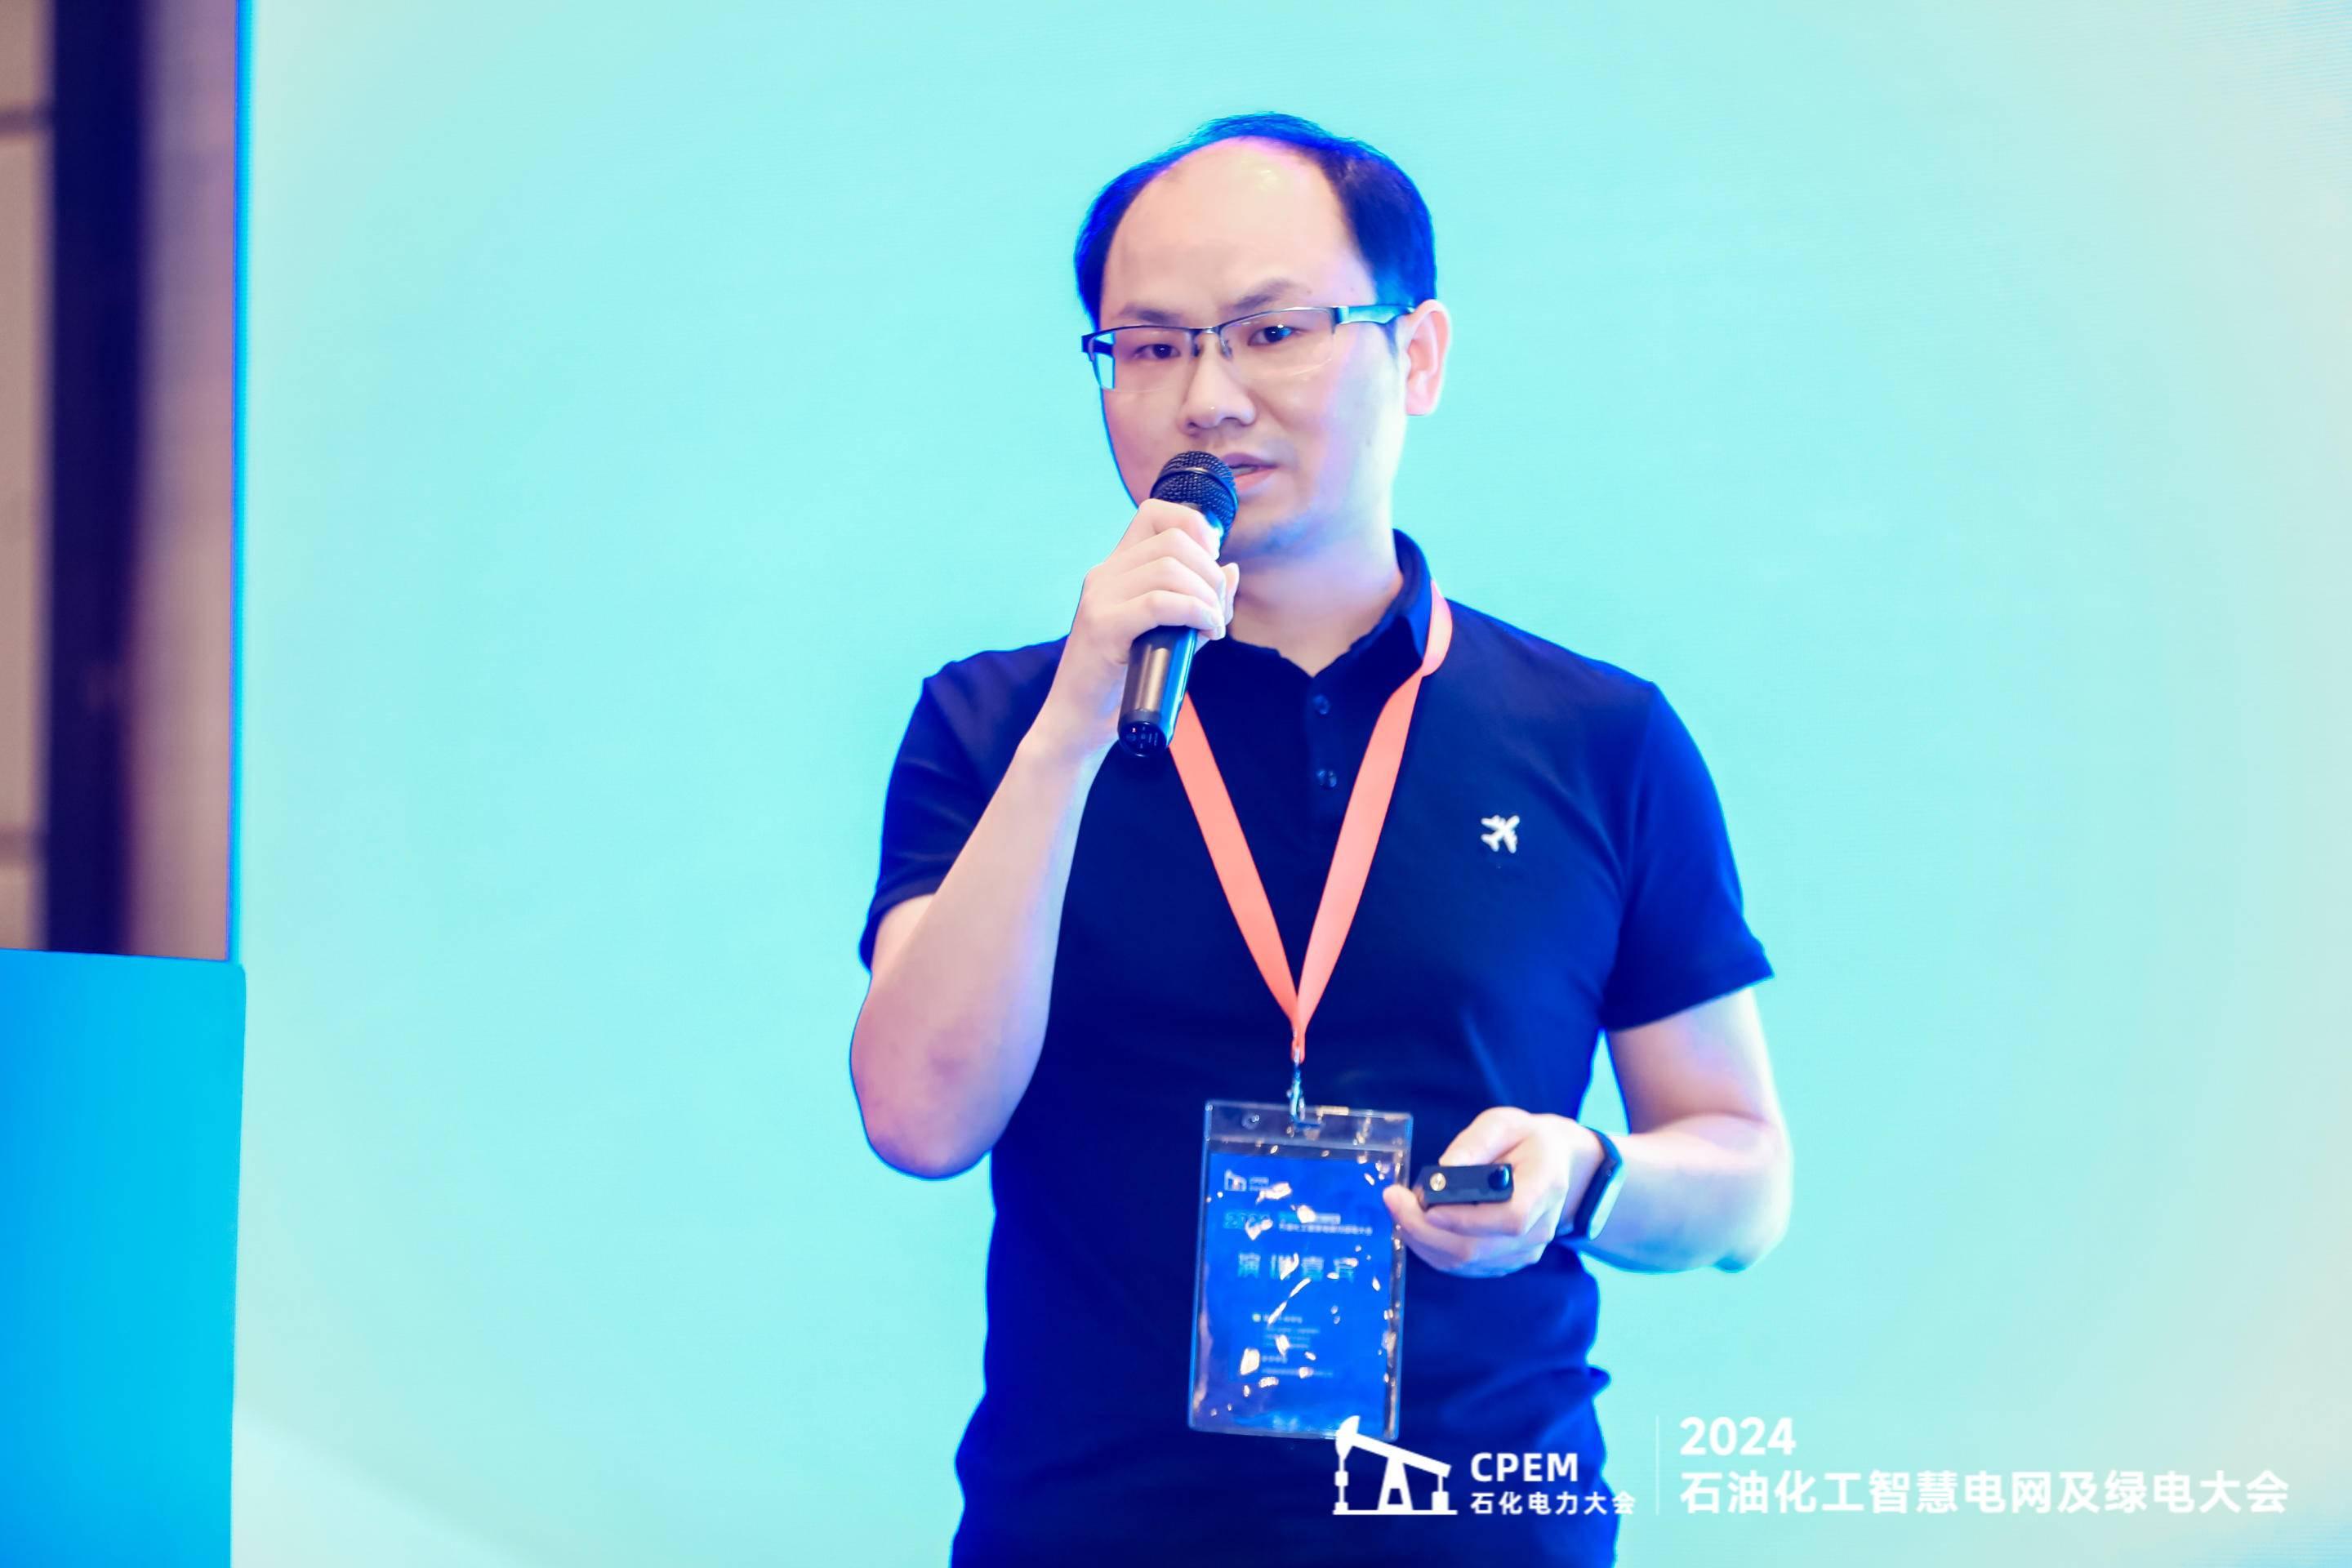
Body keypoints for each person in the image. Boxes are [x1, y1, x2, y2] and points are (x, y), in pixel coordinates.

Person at [850, 112, 1793, 1567]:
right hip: (1090, 1527)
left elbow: (1744, 1178)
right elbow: (919, 1121)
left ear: (1417, 355)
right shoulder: (997, 726)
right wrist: (1075, 727)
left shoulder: (1596, 735)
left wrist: (1583, 1176)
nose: (1207, 399)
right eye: (1150, 347)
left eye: (1272, 331)